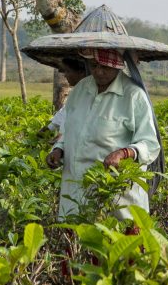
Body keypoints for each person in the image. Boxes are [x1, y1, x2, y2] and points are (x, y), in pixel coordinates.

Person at [45, 48, 160, 220]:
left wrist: (124, 153)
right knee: (77, 240)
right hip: (76, 187)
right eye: (94, 65)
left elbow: (150, 143)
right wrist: (58, 149)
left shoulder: (134, 95)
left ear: (118, 66)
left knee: (117, 240)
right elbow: (68, 128)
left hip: (113, 190)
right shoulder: (81, 89)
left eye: (105, 67)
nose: (99, 71)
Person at [46, 57, 89, 135]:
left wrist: (62, 137)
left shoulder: (89, 94)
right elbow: (64, 112)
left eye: (68, 71)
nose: (65, 75)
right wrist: (49, 128)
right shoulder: (76, 92)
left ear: (81, 73)